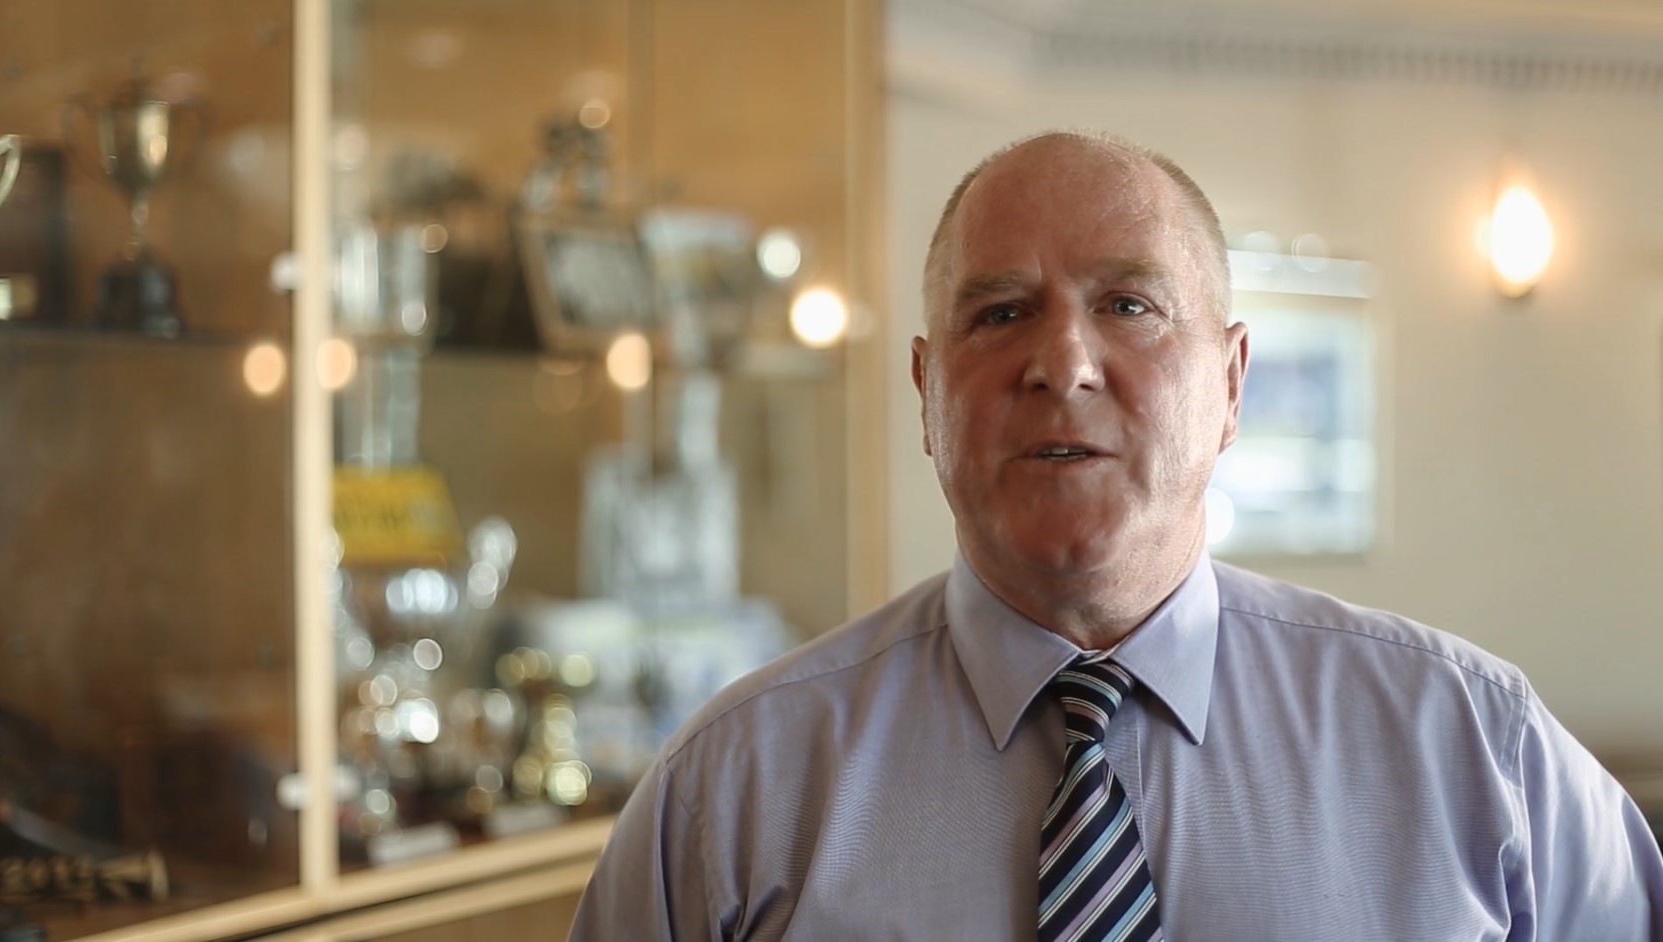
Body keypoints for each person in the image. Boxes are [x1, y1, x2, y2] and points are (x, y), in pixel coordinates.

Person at [567, 130, 1663, 940]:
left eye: (1129, 306)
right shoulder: (733, 793)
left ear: (1232, 385)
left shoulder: (1475, 750)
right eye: (999, 313)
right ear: (923, 391)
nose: (1064, 363)